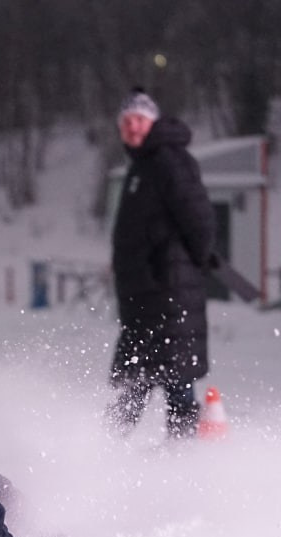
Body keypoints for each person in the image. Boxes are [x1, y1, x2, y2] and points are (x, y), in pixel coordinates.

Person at [107, 87, 216, 439]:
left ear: (152, 121)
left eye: (139, 120)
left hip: (169, 295)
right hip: (146, 301)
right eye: (127, 122)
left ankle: (180, 459)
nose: (133, 127)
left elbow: (199, 217)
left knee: (174, 382)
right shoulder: (143, 166)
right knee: (139, 380)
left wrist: (188, 265)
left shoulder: (169, 160)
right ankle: (104, 451)